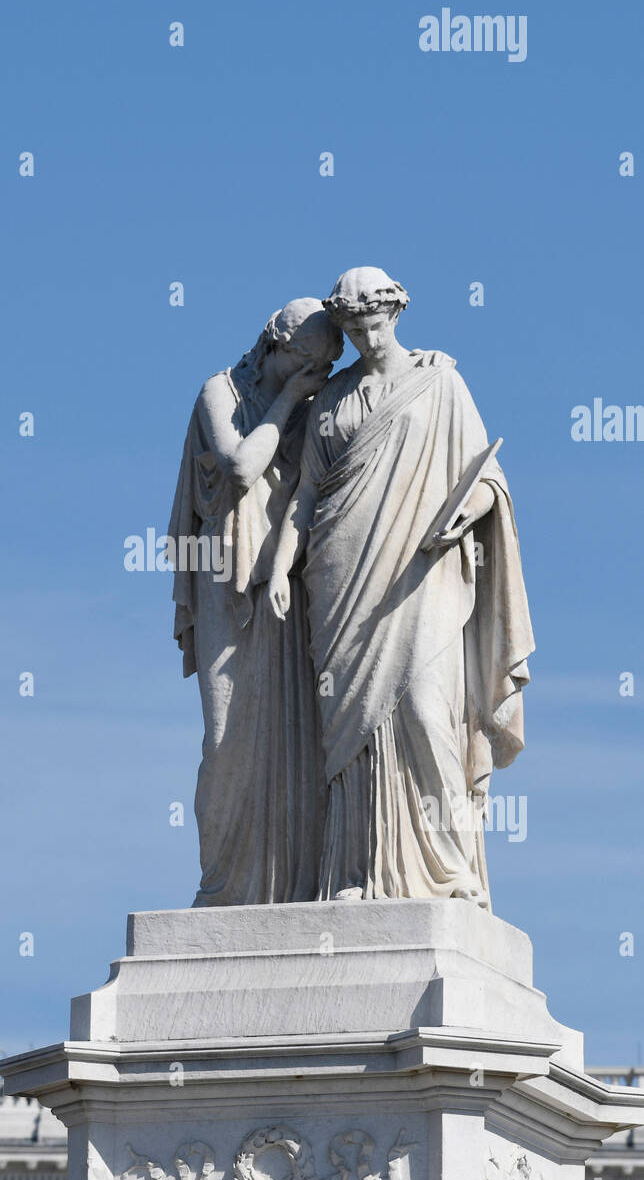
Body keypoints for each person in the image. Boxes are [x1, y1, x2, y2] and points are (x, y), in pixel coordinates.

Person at [269, 268, 534, 908]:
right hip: (338, 575)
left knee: (423, 710)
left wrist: (461, 518)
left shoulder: (440, 382)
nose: (365, 336)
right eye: (353, 328)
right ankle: (359, 874)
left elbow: (487, 477)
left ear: (397, 313)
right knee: (350, 730)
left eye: (374, 323)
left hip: (422, 571)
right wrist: (280, 565)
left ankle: (449, 869)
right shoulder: (329, 401)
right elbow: (305, 495)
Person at [169, 299, 340, 906]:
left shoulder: (318, 407)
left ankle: (290, 888)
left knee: (297, 737)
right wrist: (291, 399)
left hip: (288, 582)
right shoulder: (220, 391)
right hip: (223, 578)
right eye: (305, 358)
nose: (313, 372)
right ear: (276, 343)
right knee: (226, 735)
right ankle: (219, 886)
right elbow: (240, 469)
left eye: (324, 364)